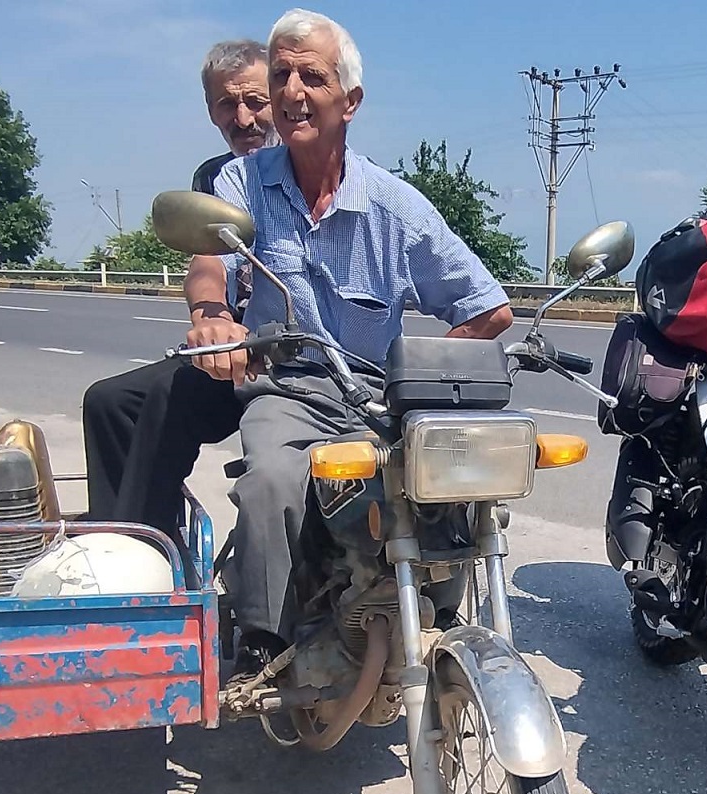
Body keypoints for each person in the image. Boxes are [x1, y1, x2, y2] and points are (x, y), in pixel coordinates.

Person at [82, 8, 513, 671]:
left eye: (310, 77)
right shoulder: (243, 181)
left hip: (375, 398)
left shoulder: (396, 208)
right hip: (283, 385)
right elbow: (209, 259)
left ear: (350, 101)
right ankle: (261, 644)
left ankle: (439, 608)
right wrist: (213, 314)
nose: (289, 92)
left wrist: (427, 374)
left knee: (448, 484)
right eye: (280, 74)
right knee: (271, 480)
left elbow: (489, 308)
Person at [192, 39, 278, 196]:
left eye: (255, 102)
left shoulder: (314, 171)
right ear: (211, 110)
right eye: (228, 105)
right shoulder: (209, 180)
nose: (244, 121)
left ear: (281, 103)